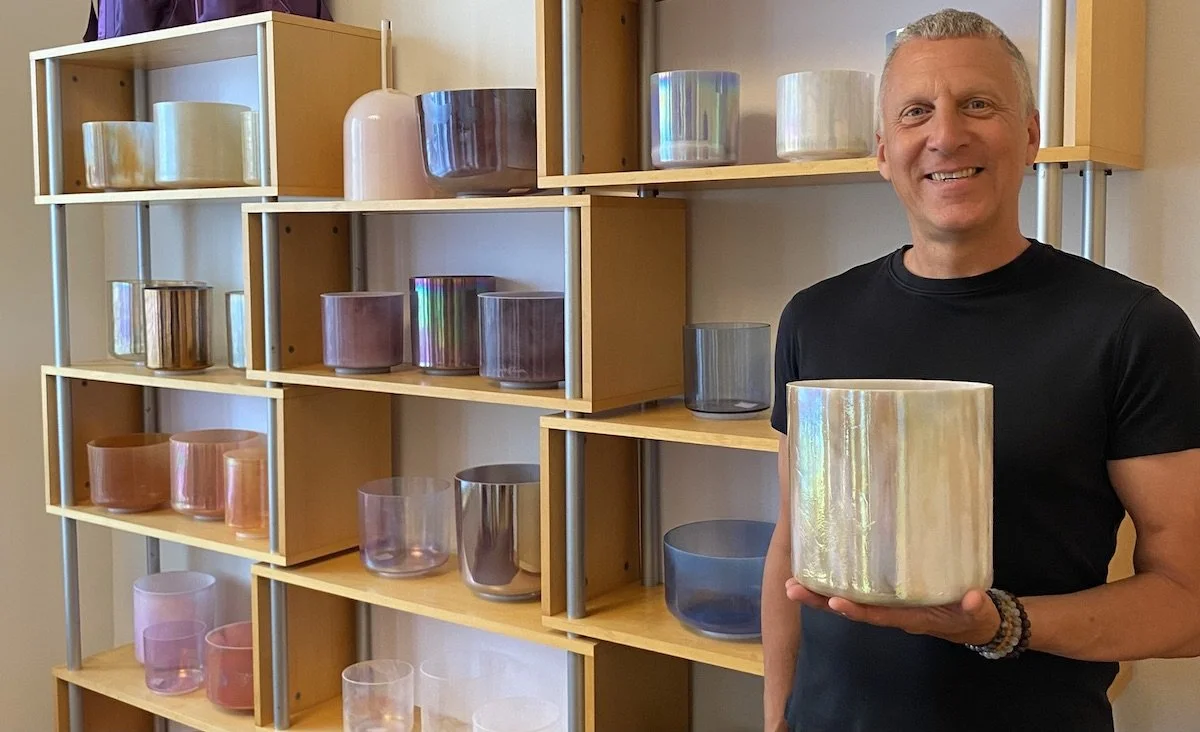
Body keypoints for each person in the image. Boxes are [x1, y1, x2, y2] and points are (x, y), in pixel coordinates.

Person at [762, 9, 1200, 732]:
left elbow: (1188, 604)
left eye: (977, 104)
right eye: (915, 112)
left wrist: (1001, 624)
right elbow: (789, 546)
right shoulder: (814, 316)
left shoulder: (1132, 330)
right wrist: (777, 720)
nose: (945, 134)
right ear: (883, 149)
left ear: (1028, 135)